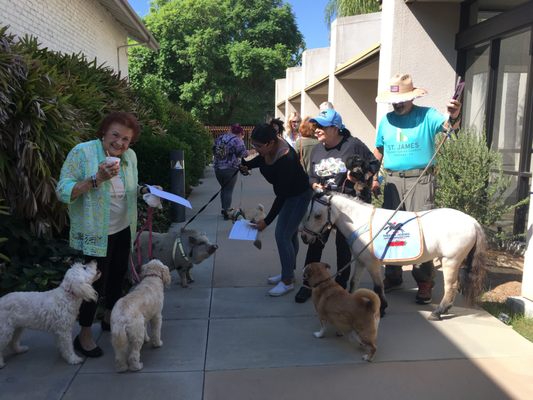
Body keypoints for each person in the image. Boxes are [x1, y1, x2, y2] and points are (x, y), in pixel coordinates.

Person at [56, 111, 154, 358]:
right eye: (116, 135)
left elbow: (131, 187)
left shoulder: (130, 157)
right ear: (104, 132)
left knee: (118, 276)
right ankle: (85, 335)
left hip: (123, 228)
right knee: (94, 284)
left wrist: (147, 191)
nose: (120, 143)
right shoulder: (83, 152)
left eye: (126, 139)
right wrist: (96, 178)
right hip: (95, 232)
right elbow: (63, 191)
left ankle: (110, 318)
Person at [372, 73, 462, 304]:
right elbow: (379, 149)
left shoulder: (427, 115)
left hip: (420, 180)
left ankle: (424, 281)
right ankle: (393, 275)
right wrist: (374, 175)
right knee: (391, 229)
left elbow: (448, 125)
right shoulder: (386, 120)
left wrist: (454, 114)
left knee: (422, 230)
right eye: (394, 100)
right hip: (392, 180)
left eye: (402, 99)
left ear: (412, 97)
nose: (397, 103)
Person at [294, 109, 380, 303]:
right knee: (314, 245)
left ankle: (341, 288)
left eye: (322, 126)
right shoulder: (317, 149)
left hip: (345, 210)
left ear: (335, 128)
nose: (317, 130)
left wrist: (360, 176)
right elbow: (312, 176)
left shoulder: (353, 145)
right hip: (322, 206)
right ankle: (309, 285)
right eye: (316, 126)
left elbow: (374, 164)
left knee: (343, 247)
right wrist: (313, 184)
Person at [240, 122, 312, 297]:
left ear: (270, 143)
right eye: (253, 145)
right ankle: (289, 272)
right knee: (290, 234)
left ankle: (287, 281)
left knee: (282, 235)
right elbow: (262, 160)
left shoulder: (286, 158)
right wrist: (247, 166)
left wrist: (266, 221)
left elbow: (282, 195)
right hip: (288, 194)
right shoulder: (268, 150)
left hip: (298, 196)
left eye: (258, 146)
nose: (255, 149)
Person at [213, 123, 248, 219]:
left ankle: (224, 209)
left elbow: (213, 150)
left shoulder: (220, 138)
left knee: (223, 188)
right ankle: (227, 212)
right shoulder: (237, 140)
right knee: (228, 190)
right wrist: (252, 151)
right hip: (230, 169)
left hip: (217, 168)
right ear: (240, 133)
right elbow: (244, 154)